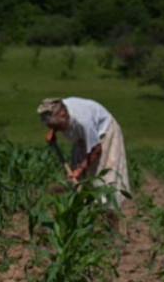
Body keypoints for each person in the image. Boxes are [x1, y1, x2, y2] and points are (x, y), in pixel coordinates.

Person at [36, 97, 130, 227]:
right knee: (78, 185)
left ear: (63, 115)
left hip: (104, 135)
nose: (52, 127)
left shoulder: (82, 121)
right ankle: (85, 227)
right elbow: (54, 119)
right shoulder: (59, 109)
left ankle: (113, 233)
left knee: (105, 184)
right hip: (83, 138)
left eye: (53, 125)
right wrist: (53, 131)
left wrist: (79, 169)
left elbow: (97, 149)